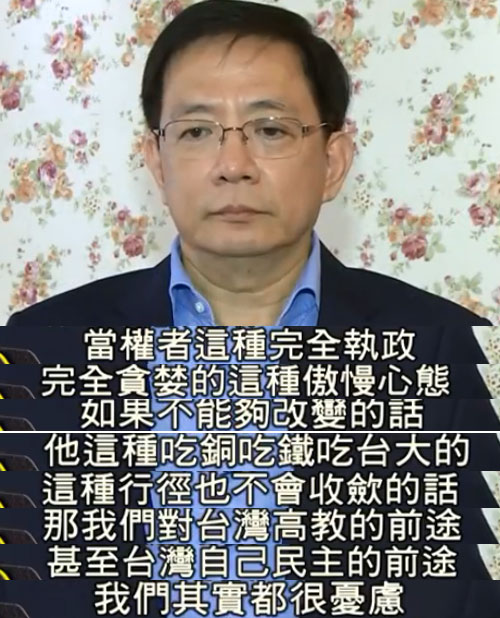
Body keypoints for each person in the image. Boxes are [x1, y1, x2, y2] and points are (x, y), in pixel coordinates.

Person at [3, 1, 500, 617]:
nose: (233, 166)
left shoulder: (447, 350)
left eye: (270, 129)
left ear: (333, 162)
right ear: (156, 161)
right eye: (196, 132)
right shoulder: (42, 345)